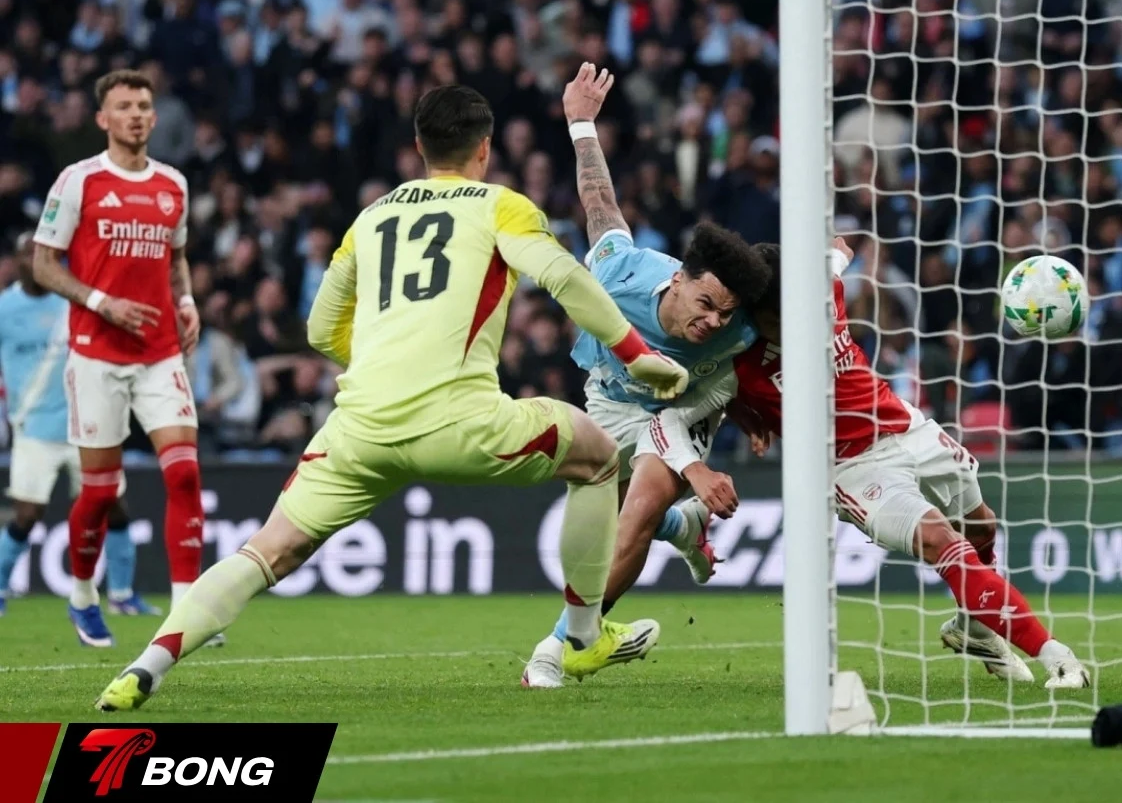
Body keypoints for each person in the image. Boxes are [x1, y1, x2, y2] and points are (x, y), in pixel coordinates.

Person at [93, 78, 690, 711]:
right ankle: (580, 634)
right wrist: (640, 357)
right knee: (596, 458)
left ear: (417, 147)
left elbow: (321, 329)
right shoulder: (500, 205)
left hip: (359, 429)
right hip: (463, 424)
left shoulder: (372, 216)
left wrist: (385, 357)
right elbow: (566, 278)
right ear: (485, 149)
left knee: (266, 550)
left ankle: (145, 666)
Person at [642, 241, 1092, 689]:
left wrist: (836, 251)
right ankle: (1057, 656)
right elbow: (666, 421)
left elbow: (838, 247)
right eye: (783, 319)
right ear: (753, 318)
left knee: (982, 529)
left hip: (905, 425)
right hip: (853, 469)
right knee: (942, 540)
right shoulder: (733, 366)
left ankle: (974, 628)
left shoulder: (822, 289)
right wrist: (694, 470)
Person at [521, 65, 770, 688]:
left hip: (684, 411)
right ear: (678, 279)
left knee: (644, 497)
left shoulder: (743, 329)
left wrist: (750, 410)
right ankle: (682, 528)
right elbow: (599, 202)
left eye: (727, 314)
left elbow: (767, 363)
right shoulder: (620, 272)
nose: (714, 322)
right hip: (609, 399)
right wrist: (581, 122)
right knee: (611, 516)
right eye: (705, 304)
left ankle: (558, 649)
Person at [32, 69, 206, 649]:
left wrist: (185, 301)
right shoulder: (78, 181)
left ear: (155, 119)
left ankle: (187, 613)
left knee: (183, 471)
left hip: (159, 352)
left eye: (143, 105)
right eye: (123, 106)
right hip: (96, 355)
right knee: (102, 493)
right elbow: (43, 264)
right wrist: (102, 302)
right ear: (102, 119)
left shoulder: (173, 185)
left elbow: (176, 258)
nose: (135, 114)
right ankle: (82, 596)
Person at [0, 232, 161, 620]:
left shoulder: (75, 300)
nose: (36, 261)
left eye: (44, 254)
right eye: (29, 255)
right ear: (18, 262)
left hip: (86, 424)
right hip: (34, 429)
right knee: (27, 514)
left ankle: (122, 594)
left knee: (115, 507)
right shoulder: (4, 309)